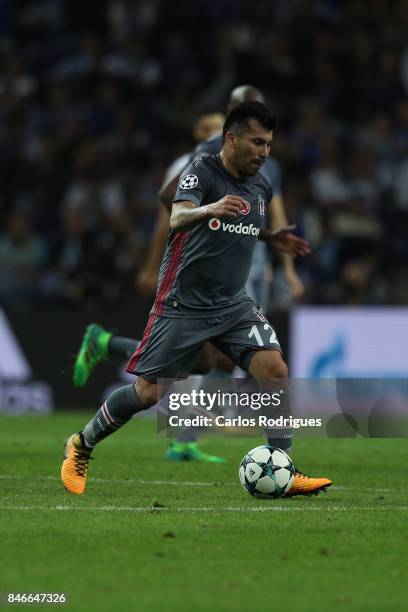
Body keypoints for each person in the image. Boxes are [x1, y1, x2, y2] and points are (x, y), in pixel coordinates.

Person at [61, 101, 332, 496]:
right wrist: (211, 208)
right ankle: (81, 445)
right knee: (149, 393)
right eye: (257, 142)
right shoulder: (201, 171)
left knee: (274, 370)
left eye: (269, 144)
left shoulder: (261, 185)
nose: (264, 152)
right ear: (231, 138)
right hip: (182, 303)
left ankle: (285, 470)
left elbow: (242, 224)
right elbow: (177, 217)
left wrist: (270, 237)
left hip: (233, 304)